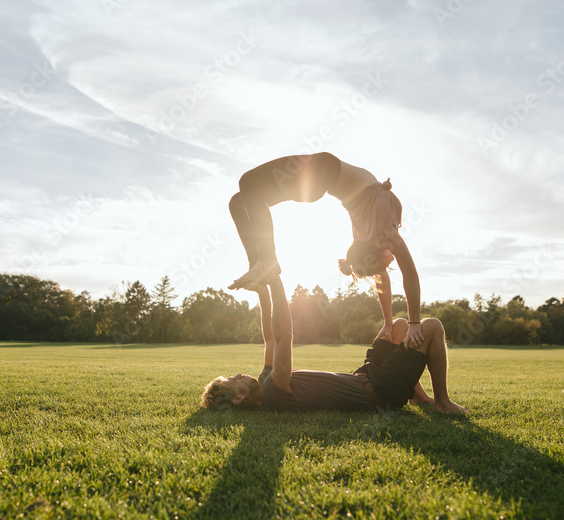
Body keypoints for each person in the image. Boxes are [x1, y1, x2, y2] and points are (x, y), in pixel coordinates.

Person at [227, 152, 426, 350]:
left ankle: (265, 262)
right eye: (386, 263)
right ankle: (257, 266)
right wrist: (405, 323)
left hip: (320, 172)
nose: (391, 262)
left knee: (248, 182)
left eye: (385, 263)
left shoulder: (377, 236)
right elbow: (408, 274)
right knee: (239, 202)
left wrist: (398, 322)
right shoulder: (382, 236)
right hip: (319, 178)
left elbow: (386, 278)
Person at [200, 274, 467, 414]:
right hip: (382, 391)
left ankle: (418, 395)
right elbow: (284, 337)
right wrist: (275, 280)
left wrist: (260, 291)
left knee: (397, 326)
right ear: (238, 398)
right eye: (233, 380)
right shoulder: (273, 391)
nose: (237, 374)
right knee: (432, 326)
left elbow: (269, 337)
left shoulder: (266, 380)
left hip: (366, 376)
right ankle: (442, 402)